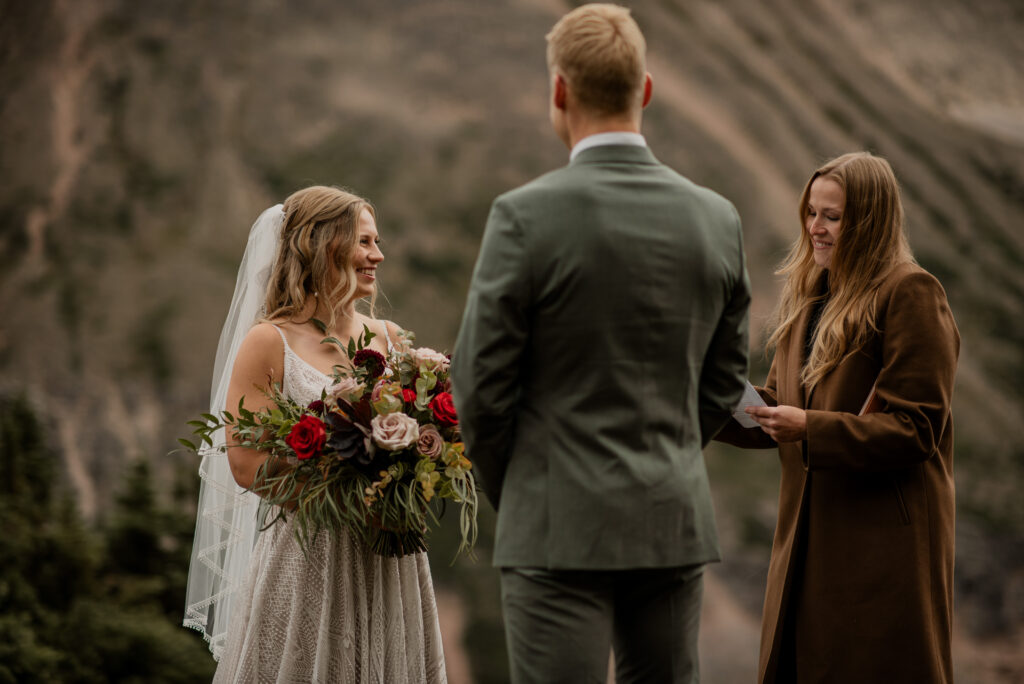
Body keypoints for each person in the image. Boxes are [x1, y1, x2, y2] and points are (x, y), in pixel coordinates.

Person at [450, 4, 751, 682]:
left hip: (555, 525)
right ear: (645, 90)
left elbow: (480, 387)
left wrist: (527, 488)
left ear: (559, 91)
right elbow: (725, 381)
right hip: (671, 518)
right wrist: (666, 460)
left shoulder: (524, 216)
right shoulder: (717, 219)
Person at [184, 186, 446, 683]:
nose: (378, 255)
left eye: (377, 242)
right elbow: (245, 465)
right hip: (308, 559)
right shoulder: (269, 341)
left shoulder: (390, 338)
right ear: (325, 246)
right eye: (365, 242)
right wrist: (345, 486)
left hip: (391, 558)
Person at [716, 152, 960, 682]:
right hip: (805, 547)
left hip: (876, 555)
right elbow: (786, 411)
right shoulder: (811, 297)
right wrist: (711, 402)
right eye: (810, 212)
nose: (816, 229)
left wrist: (810, 428)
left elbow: (917, 429)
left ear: (870, 220)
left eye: (833, 216)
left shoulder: (912, 293)